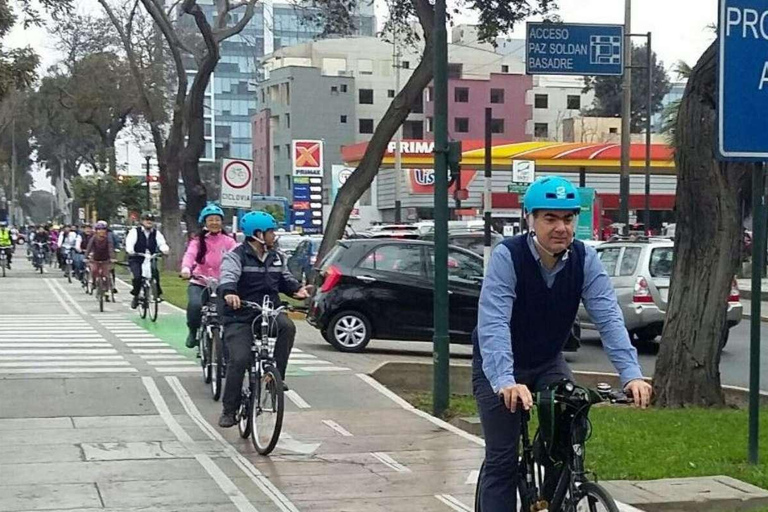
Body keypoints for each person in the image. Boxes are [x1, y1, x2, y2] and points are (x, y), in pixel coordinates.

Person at [473, 176, 653, 512]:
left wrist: (631, 374)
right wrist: (505, 381)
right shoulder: (507, 257)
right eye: (550, 218)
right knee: (502, 459)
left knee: (572, 423)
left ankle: (552, 485)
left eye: (568, 219)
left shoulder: (585, 259)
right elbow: (494, 322)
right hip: (498, 366)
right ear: (530, 219)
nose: (561, 228)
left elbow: (609, 318)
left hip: (546, 362)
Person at [216, 210, 311, 428]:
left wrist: (297, 290)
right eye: (271, 232)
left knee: (287, 327)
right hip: (240, 316)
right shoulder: (236, 256)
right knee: (238, 359)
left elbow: (285, 280)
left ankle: (275, 377)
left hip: (268, 312)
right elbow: (228, 276)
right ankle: (229, 410)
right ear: (257, 234)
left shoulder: (277, 257)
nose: (274, 236)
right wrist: (230, 293)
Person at [180, 203, 237, 348]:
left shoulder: (229, 241)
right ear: (204, 222)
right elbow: (190, 255)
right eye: (210, 219)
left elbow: (237, 258)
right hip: (200, 282)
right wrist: (186, 269)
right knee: (195, 305)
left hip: (221, 285)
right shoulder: (198, 241)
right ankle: (193, 332)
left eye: (217, 219)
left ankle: (222, 343)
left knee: (224, 313)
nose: (214, 223)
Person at [125, 212, 169, 308]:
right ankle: (136, 295)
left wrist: (164, 249)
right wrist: (131, 250)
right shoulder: (135, 232)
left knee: (155, 273)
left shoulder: (156, 233)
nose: (149, 222)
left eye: (151, 220)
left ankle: (157, 295)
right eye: (146, 220)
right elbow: (130, 243)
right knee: (137, 277)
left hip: (150, 257)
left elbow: (162, 243)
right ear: (142, 221)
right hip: (137, 258)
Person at [85, 221, 116, 297]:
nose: (101, 231)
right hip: (95, 258)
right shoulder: (93, 238)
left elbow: (110, 248)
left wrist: (112, 258)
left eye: (103, 229)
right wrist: (86, 257)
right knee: (94, 270)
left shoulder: (108, 239)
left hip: (105, 258)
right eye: (99, 229)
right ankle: (94, 283)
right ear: (96, 231)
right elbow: (89, 247)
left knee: (106, 274)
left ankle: (106, 288)